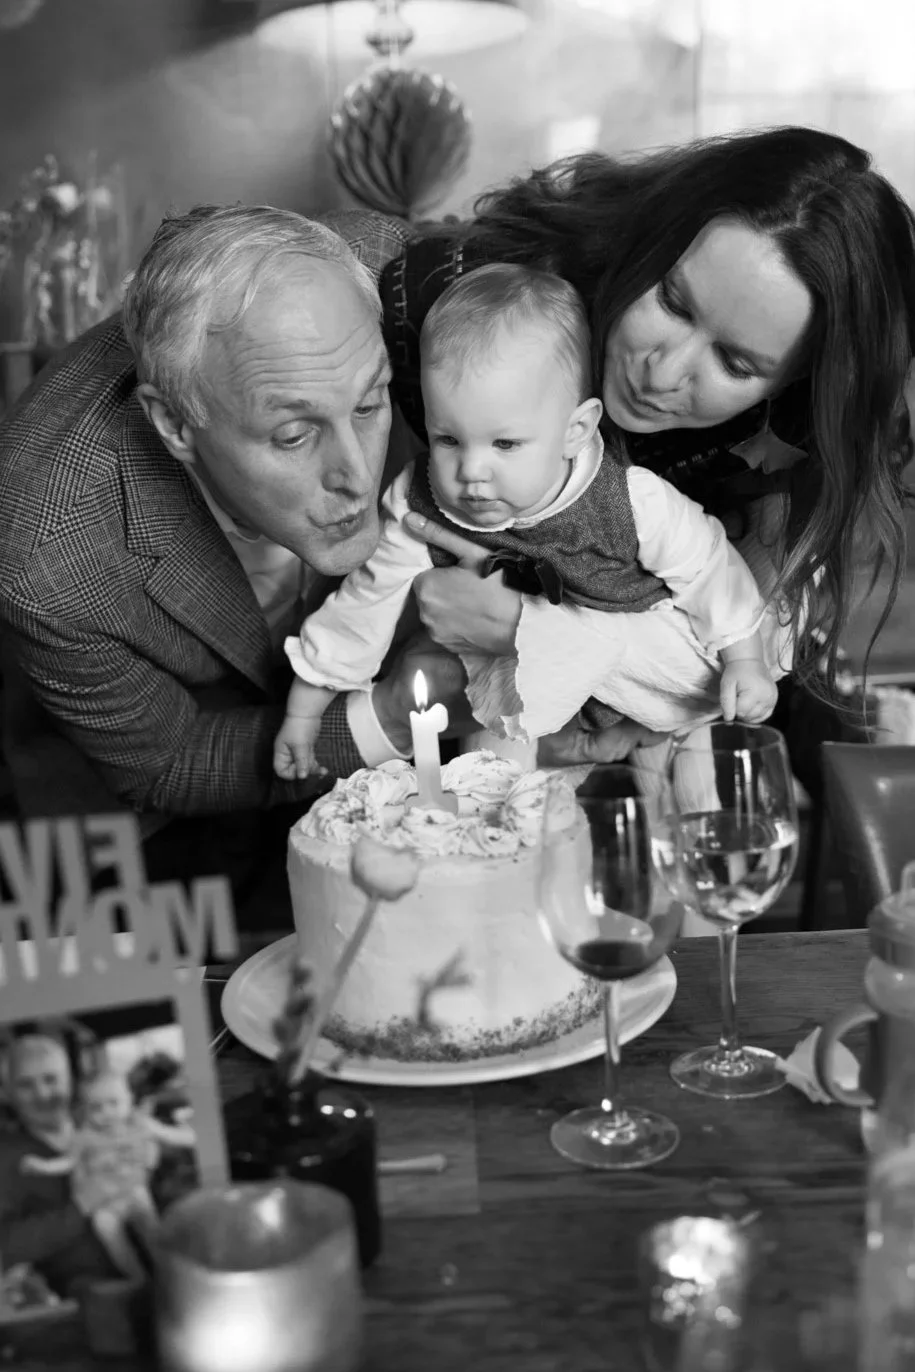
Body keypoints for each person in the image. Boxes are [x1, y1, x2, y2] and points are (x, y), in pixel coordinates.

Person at [0, 205, 648, 910]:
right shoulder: (47, 554)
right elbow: (167, 765)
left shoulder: (417, 283)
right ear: (175, 424)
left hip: (409, 784)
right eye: (292, 436)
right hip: (142, 849)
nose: (354, 475)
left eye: (369, 407)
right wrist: (395, 712)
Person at [381, 125, 915, 720]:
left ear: (797, 382)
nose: (663, 375)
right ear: (651, 237)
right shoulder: (455, 300)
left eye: (734, 363)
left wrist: (525, 627)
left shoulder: (797, 440)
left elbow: (717, 674)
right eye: (672, 302)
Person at [274, 263, 778, 779]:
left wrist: (743, 660)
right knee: (493, 778)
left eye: (505, 444)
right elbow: (364, 606)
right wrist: (304, 711)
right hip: (517, 694)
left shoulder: (629, 500)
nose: (471, 472)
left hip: (650, 696)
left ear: (576, 430)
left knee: (678, 790)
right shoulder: (419, 503)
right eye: (447, 439)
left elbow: (708, 567)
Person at [21, 1069, 196, 1282]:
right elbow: (67, 1162)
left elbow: (171, 1136)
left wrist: (195, 1135)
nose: (106, 1113)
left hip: (134, 1192)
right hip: (105, 1203)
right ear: (85, 1110)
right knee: (106, 1230)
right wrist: (41, 1166)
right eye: (96, 1108)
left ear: (129, 1100)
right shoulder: (84, 1137)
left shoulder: (138, 1124)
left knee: (153, 1232)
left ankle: (167, 1272)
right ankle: (137, 1277)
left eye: (114, 1103)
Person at [0, 1035, 117, 1298]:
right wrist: (81, 1206)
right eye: (26, 1085)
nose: (43, 1094)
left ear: (70, 1080)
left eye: (51, 1079)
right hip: (89, 1292)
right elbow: (5, 1245)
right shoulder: (6, 1156)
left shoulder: (105, 1119)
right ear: (6, 1093)